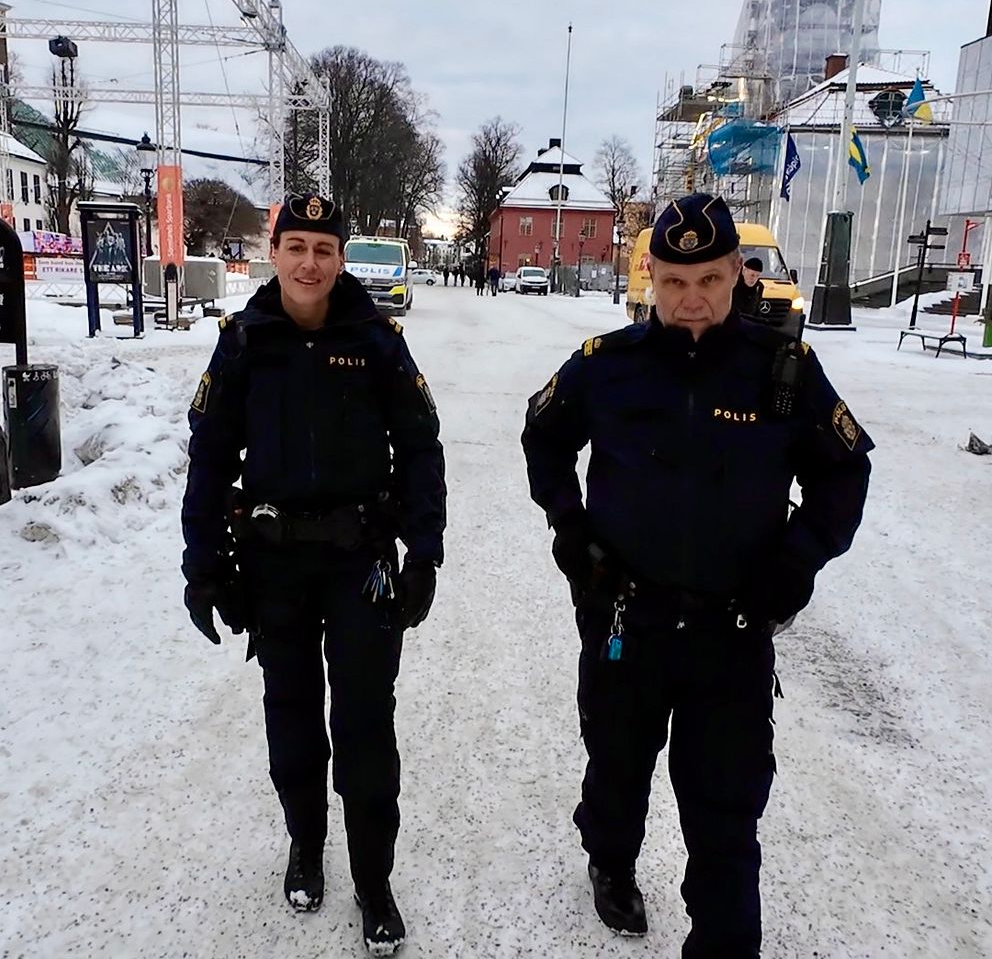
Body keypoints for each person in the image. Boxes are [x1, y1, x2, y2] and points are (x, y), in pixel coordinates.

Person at [521, 192, 872, 957]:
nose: (690, 300)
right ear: (650, 275)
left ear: (738, 273)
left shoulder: (782, 371)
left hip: (732, 631)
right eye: (674, 281)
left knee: (726, 818)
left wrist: (797, 561)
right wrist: (569, 527)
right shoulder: (605, 367)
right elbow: (543, 436)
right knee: (617, 771)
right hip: (626, 621)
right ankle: (610, 861)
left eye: (709, 280)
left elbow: (844, 473)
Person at [181, 193, 446, 957]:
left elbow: (421, 448)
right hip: (274, 564)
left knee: (364, 720)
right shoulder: (244, 342)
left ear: (339, 258)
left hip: (361, 561)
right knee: (291, 712)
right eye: (295, 246)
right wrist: (204, 566)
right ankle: (305, 842)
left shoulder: (376, 340)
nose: (309, 262)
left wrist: (424, 552)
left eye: (323, 249)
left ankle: (373, 878)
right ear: (274, 254)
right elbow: (209, 460)